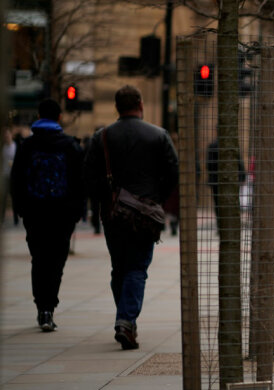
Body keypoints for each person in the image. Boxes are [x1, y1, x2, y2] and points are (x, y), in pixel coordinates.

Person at [84, 85, 178, 350]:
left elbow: (89, 176)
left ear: (116, 107)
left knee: (120, 267)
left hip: (113, 213)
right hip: (145, 214)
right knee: (137, 267)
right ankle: (126, 320)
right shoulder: (158, 135)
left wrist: (106, 198)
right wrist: (156, 197)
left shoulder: (102, 137)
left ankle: (126, 320)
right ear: (140, 103)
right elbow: (173, 172)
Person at [10, 99, 85, 332]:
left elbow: (16, 182)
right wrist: (76, 212)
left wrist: (21, 210)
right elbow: (80, 183)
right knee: (56, 262)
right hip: (62, 215)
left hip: (35, 213)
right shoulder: (71, 146)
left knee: (39, 259)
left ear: (39, 116)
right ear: (59, 118)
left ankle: (41, 307)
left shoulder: (26, 146)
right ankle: (50, 307)